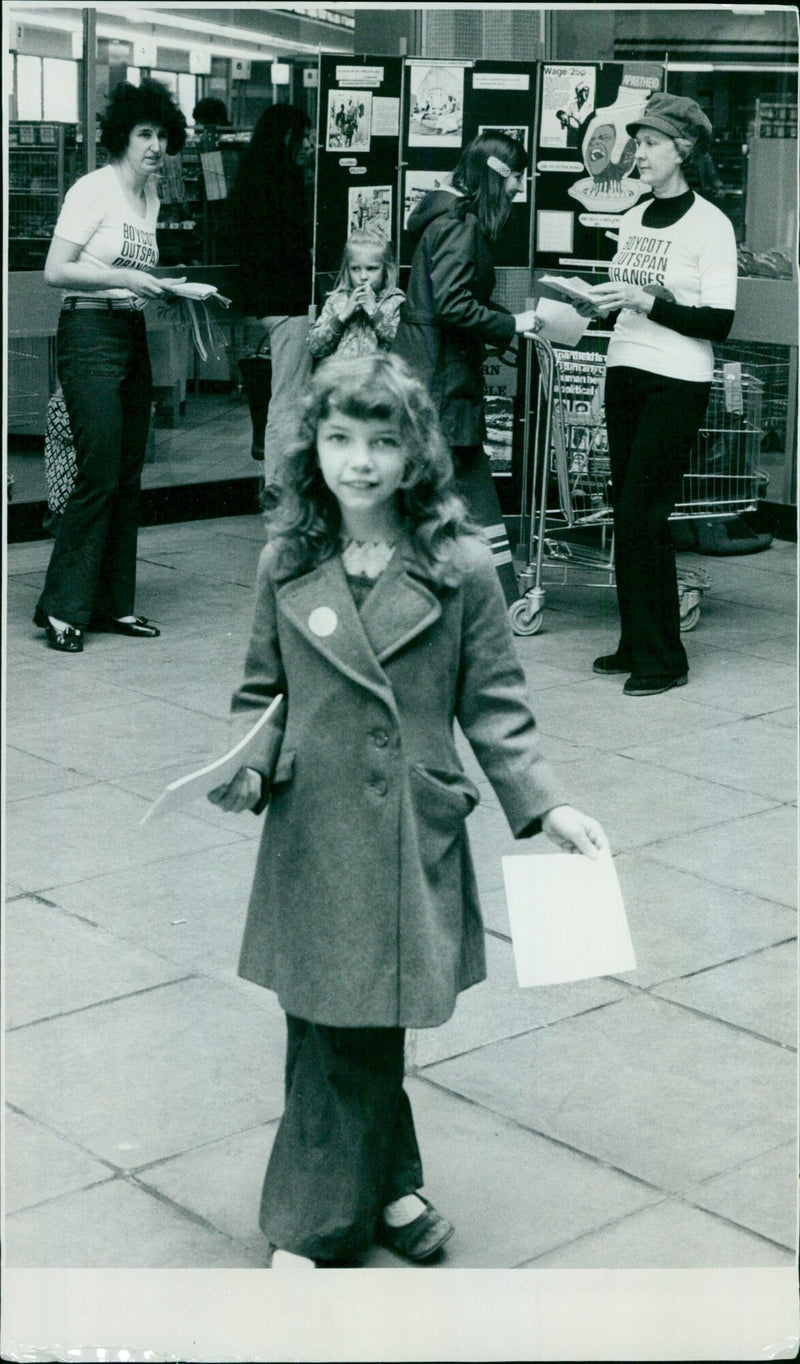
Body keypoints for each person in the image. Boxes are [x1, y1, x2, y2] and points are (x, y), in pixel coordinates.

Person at [207, 353, 608, 1268]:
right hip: (311, 827)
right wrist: (250, 763)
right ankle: (387, 1191)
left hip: (401, 828)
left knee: (349, 1019)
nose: (359, 462)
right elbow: (261, 691)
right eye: (340, 439)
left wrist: (548, 807)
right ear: (313, 447)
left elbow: (497, 708)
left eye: (382, 442)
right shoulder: (289, 558)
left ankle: (310, 1227)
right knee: (329, 1014)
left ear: (415, 453)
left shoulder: (461, 568)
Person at [586, 93, 737, 696]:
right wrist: (593, 302)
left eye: (648, 143)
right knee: (626, 507)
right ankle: (634, 642)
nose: (637, 153)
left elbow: (719, 321)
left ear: (683, 150)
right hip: (625, 369)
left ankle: (664, 659)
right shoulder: (632, 216)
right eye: (637, 142)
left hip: (677, 379)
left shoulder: (712, 225)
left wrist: (648, 300)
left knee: (643, 514)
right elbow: (627, 293)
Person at [34, 79, 187, 653]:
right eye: (145, 133)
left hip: (130, 330)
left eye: (164, 136)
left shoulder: (151, 198)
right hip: (89, 332)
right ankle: (64, 609)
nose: (155, 145)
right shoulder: (93, 190)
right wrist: (125, 277)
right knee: (98, 473)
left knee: (127, 473)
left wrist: (166, 288)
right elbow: (56, 270)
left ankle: (112, 606)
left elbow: (132, 272)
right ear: (122, 135)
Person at [392, 132, 540, 606]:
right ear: (496, 176)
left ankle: (489, 591)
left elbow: (446, 300)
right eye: (516, 177)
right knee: (462, 482)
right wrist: (510, 323)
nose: (519, 188)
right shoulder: (462, 226)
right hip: (443, 378)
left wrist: (503, 322)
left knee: (438, 485)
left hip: (427, 369)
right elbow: (454, 304)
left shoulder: (442, 217)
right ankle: (499, 594)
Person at [229, 105, 314, 474]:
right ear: (287, 137)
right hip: (288, 301)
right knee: (288, 399)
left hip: (267, 299)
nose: (311, 145)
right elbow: (297, 243)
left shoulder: (252, 177)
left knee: (282, 397)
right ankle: (280, 488)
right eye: (305, 136)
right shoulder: (286, 182)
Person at [308, 228, 404, 360]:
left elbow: (404, 347)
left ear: (385, 270)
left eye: (371, 268)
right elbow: (314, 348)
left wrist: (375, 313)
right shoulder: (336, 300)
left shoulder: (395, 302)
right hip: (340, 379)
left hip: (378, 379)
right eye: (355, 269)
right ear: (347, 270)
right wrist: (341, 317)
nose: (363, 276)